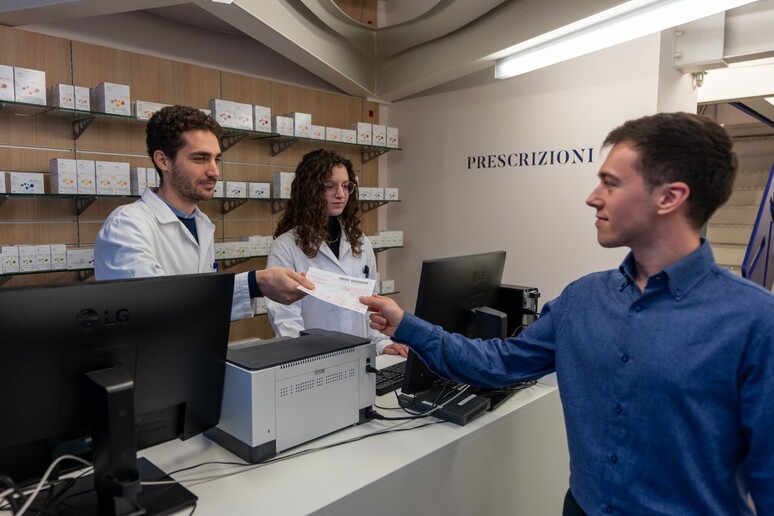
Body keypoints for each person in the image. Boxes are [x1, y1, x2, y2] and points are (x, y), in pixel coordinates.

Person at [361, 112, 774, 515]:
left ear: (669, 197)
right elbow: (501, 362)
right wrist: (407, 326)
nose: (593, 198)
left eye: (610, 184)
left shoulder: (753, 322)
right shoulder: (583, 299)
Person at [94, 105, 313, 320]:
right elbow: (156, 305)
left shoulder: (200, 222)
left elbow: (200, 305)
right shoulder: (126, 225)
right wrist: (254, 283)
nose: (214, 172)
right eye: (200, 158)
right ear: (163, 160)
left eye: (216, 159)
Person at [266, 148, 408, 356]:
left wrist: (380, 343)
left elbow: (370, 306)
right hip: (313, 360)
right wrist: (307, 357)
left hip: (360, 357)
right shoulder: (286, 246)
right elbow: (285, 318)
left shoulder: (360, 242)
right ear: (310, 190)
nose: (340, 194)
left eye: (345, 186)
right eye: (329, 186)